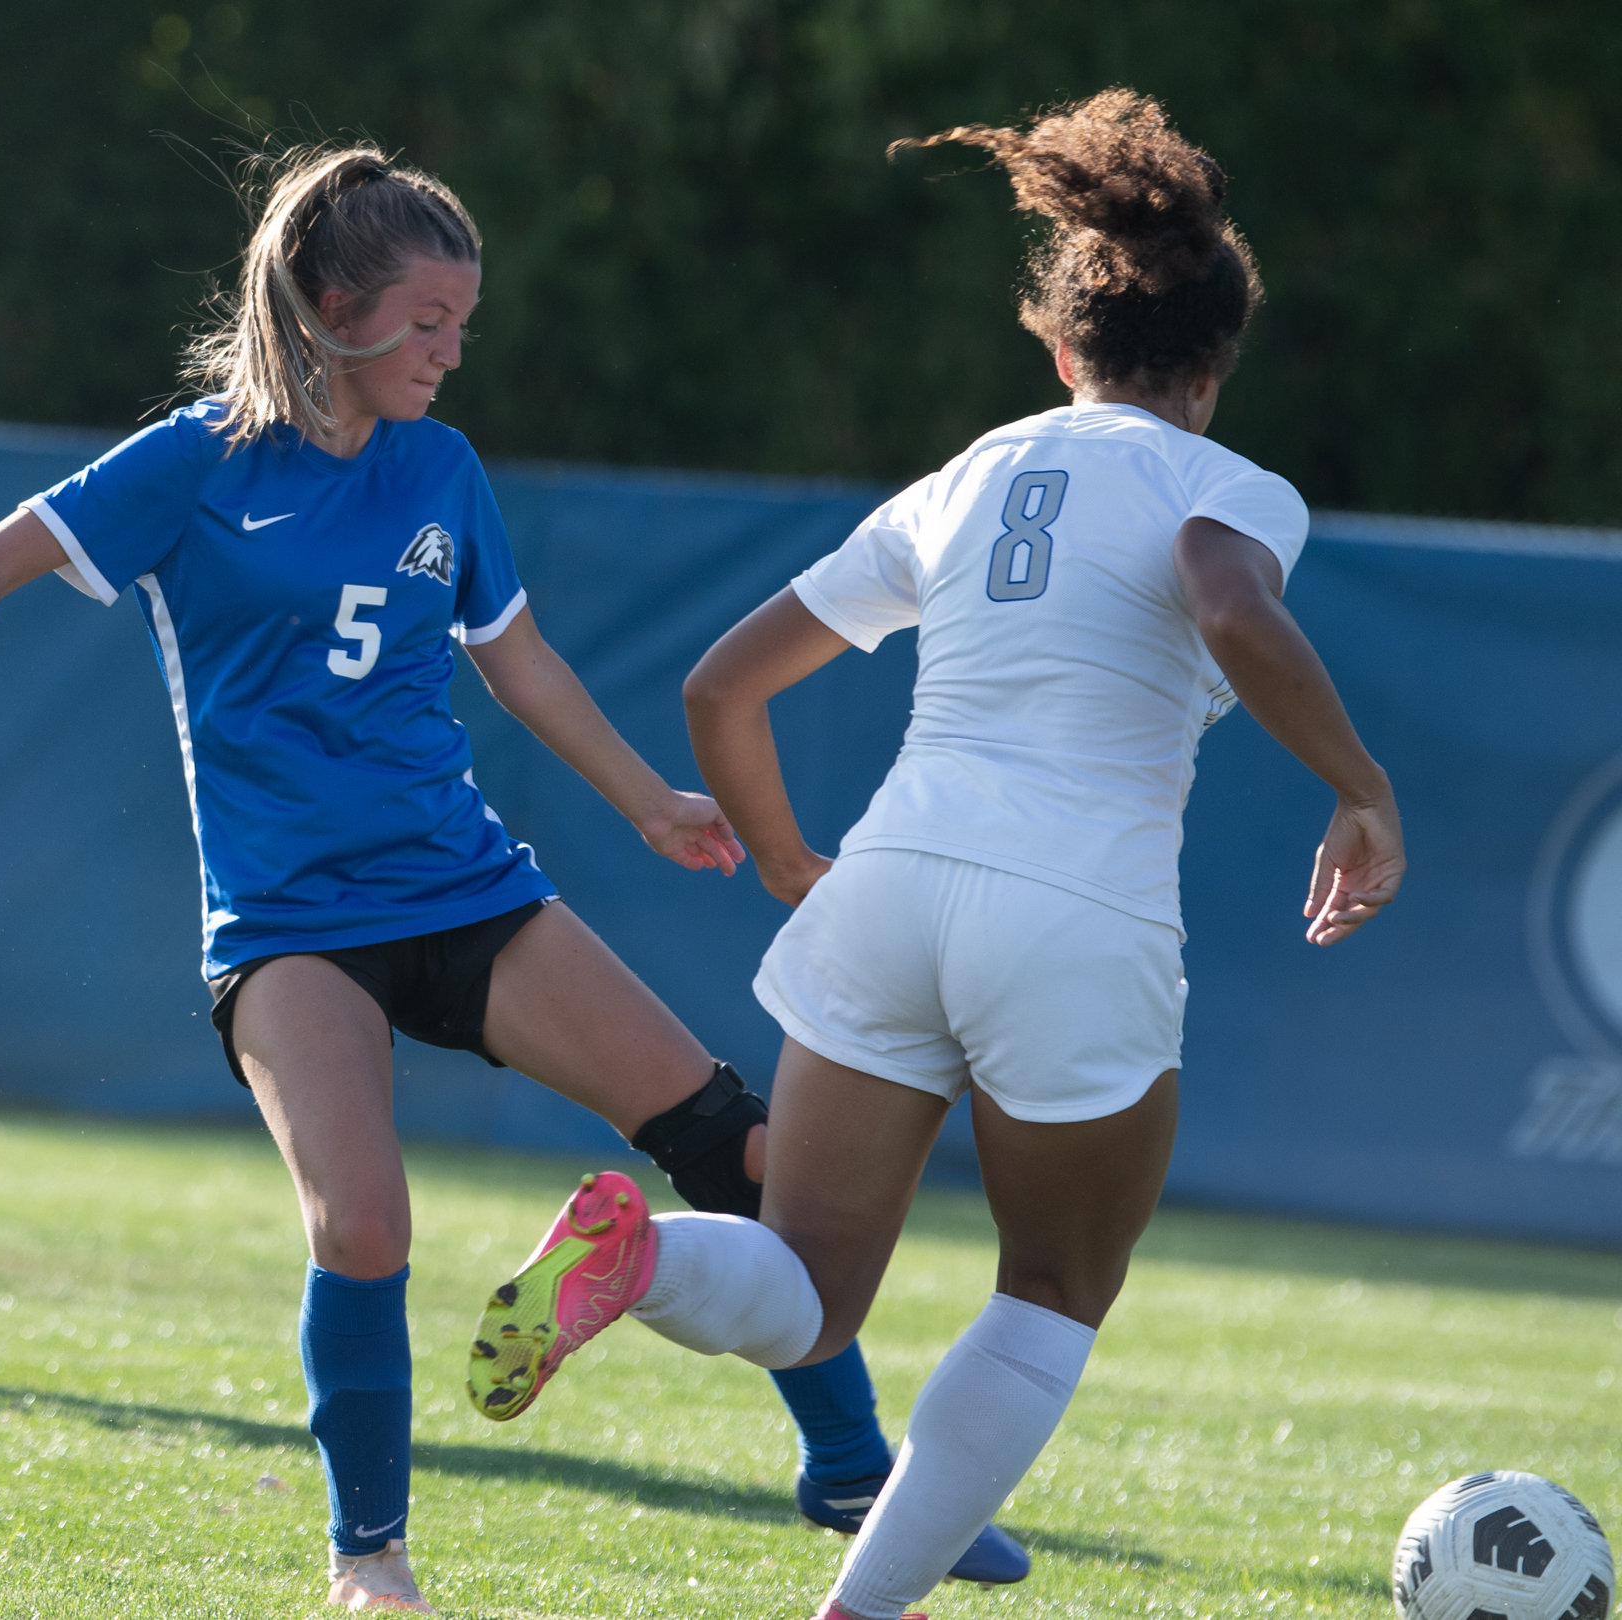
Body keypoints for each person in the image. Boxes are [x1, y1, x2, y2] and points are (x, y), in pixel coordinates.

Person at [0, 143, 1015, 1614]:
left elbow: (516, 662)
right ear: (332, 307)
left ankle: (846, 1469)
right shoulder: (197, 464)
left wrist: (648, 800)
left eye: (463, 323)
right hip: (288, 930)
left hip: (468, 895)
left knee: (742, 1151)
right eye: (429, 321)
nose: (452, 352)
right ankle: (368, 1561)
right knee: (364, 1225)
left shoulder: (440, 467)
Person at [468, 90, 1405, 1620]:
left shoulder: (965, 474)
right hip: (1075, 911)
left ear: (1060, 350)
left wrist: (782, 858)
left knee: (808, 1292)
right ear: (1217, 366)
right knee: (1049, 1294)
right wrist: (1362, 790)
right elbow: (1229, 605)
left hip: (890, 885)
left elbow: (720, 687)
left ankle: (636, 1267)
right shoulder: (1229, 487)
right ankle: (863, 1607)